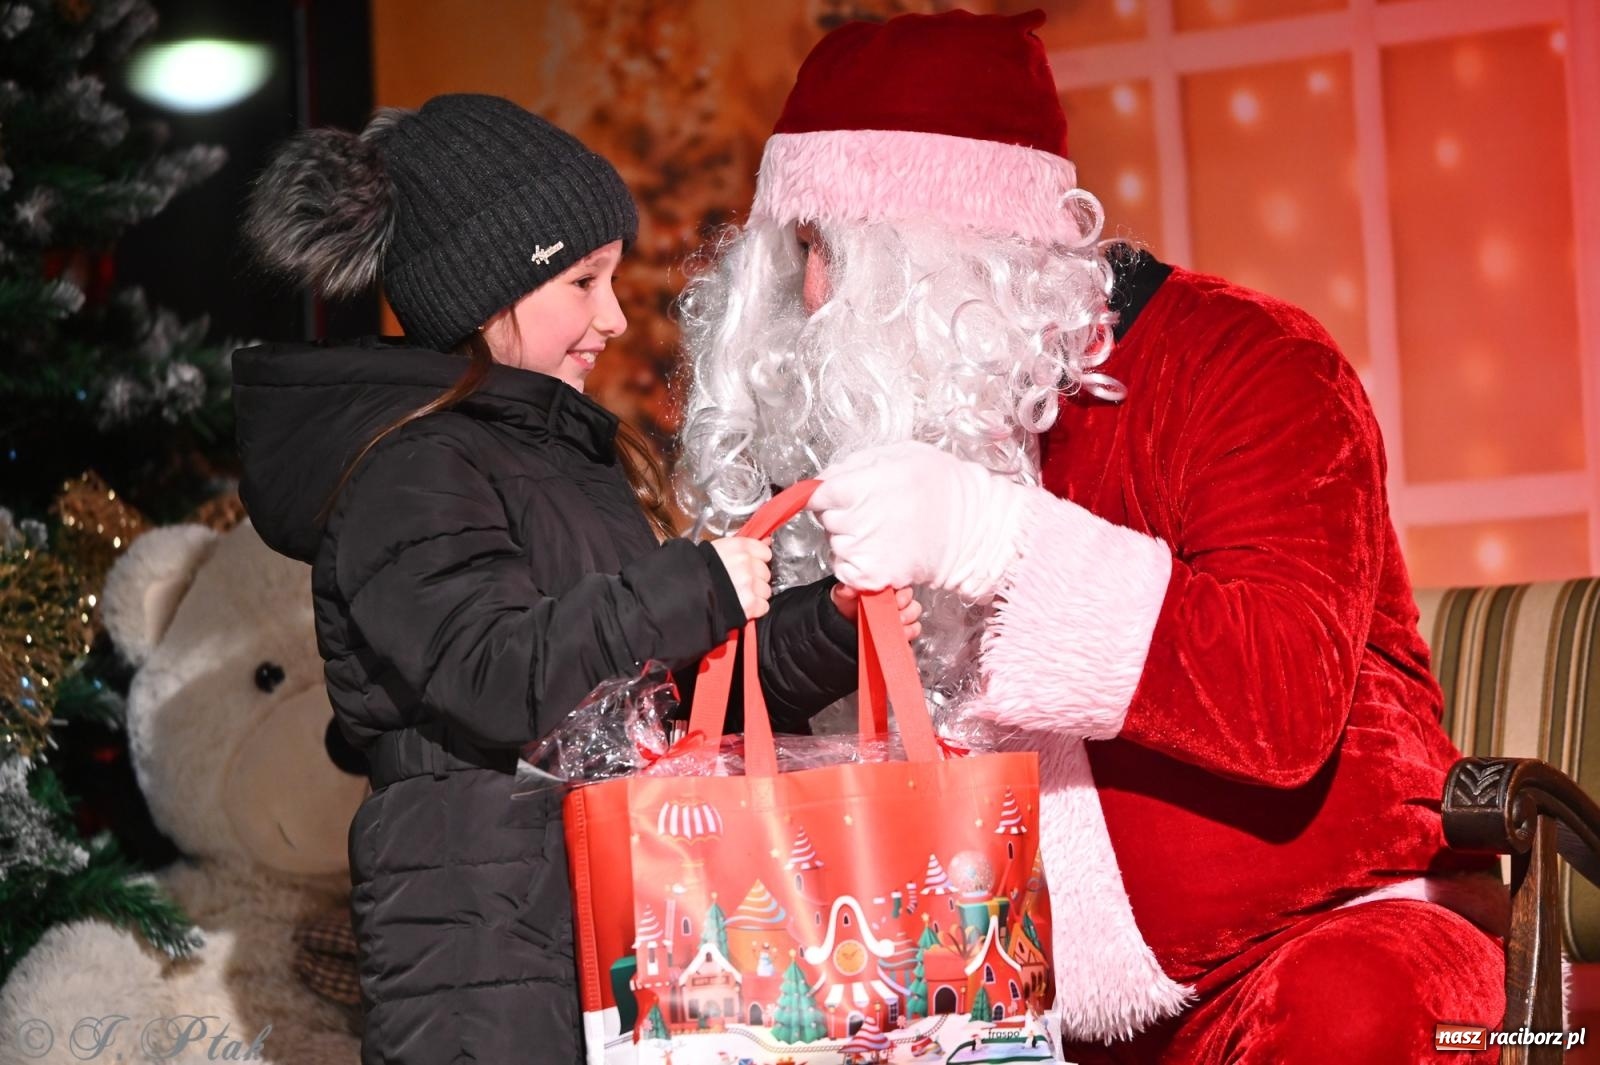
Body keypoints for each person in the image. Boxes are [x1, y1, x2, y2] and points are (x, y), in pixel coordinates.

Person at [678, 12, 1506, 1063]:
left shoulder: (1249, 364)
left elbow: (1281, 698)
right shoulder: (886, 412)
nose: (810, 299)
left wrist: (997, 542)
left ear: (937, 246)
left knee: (1354, 1010)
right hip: (986, 998)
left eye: (825, 253)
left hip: (1301, 942)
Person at [231, 94, 917, 1064]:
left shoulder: (562, 455)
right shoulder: (409, 470)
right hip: (499, 971)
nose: (615, 317)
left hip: (625, 935)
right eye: (583, 282)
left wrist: (830, 621)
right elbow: (495, 670)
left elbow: (659, 700)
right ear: (485, 292)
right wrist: (693, 586)